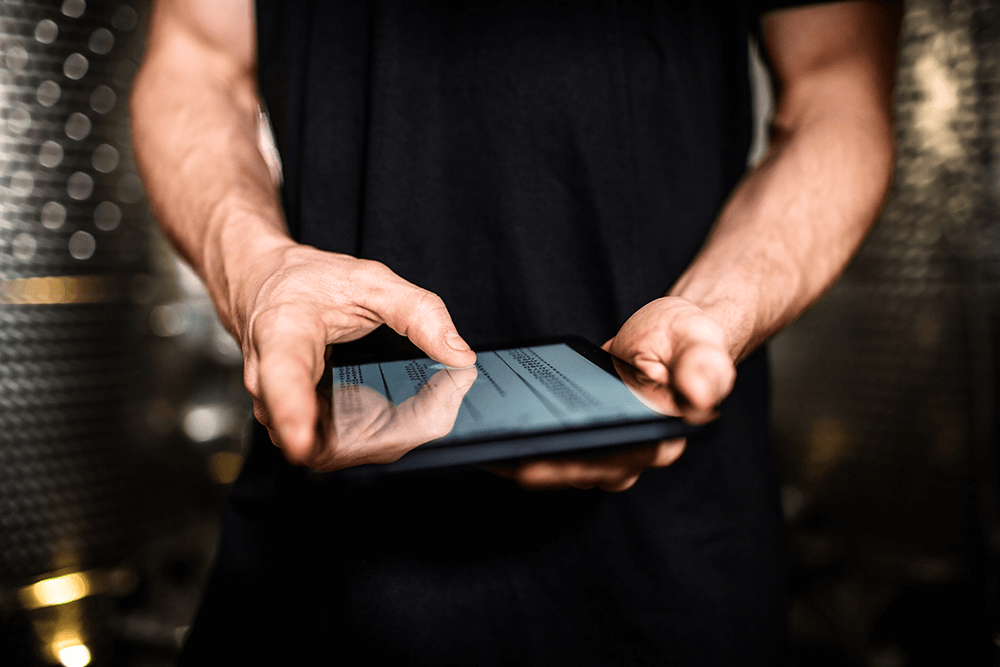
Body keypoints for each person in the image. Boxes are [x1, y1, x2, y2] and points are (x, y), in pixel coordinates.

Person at [131, 0, 901, 664]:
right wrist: (259, 270)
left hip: (670, 567)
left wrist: (715, 314)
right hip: (315, 554)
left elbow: (836, 92)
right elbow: (196, 63)